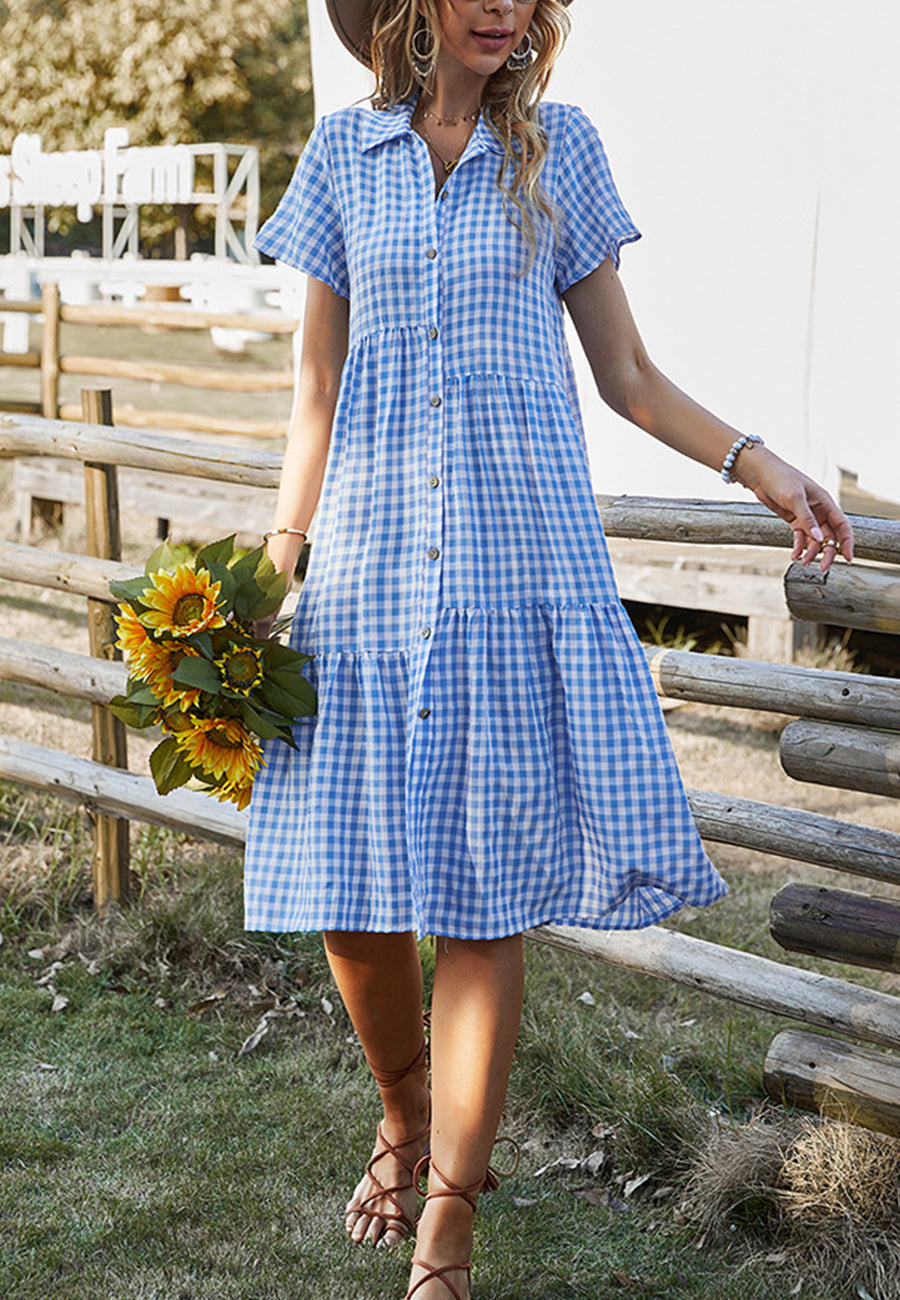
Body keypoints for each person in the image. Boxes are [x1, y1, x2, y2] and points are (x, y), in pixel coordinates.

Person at [244, 2, 855, 1296]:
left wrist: (764, 468)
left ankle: (451, 1215)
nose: (502, 6)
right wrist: (271, 567)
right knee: (354, 908)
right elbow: (315, 389)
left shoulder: (559, 149)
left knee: (480, 899)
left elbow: (628, 375)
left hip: (513, 570)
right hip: (362, 570)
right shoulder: (337, 158)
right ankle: (405, 1114)